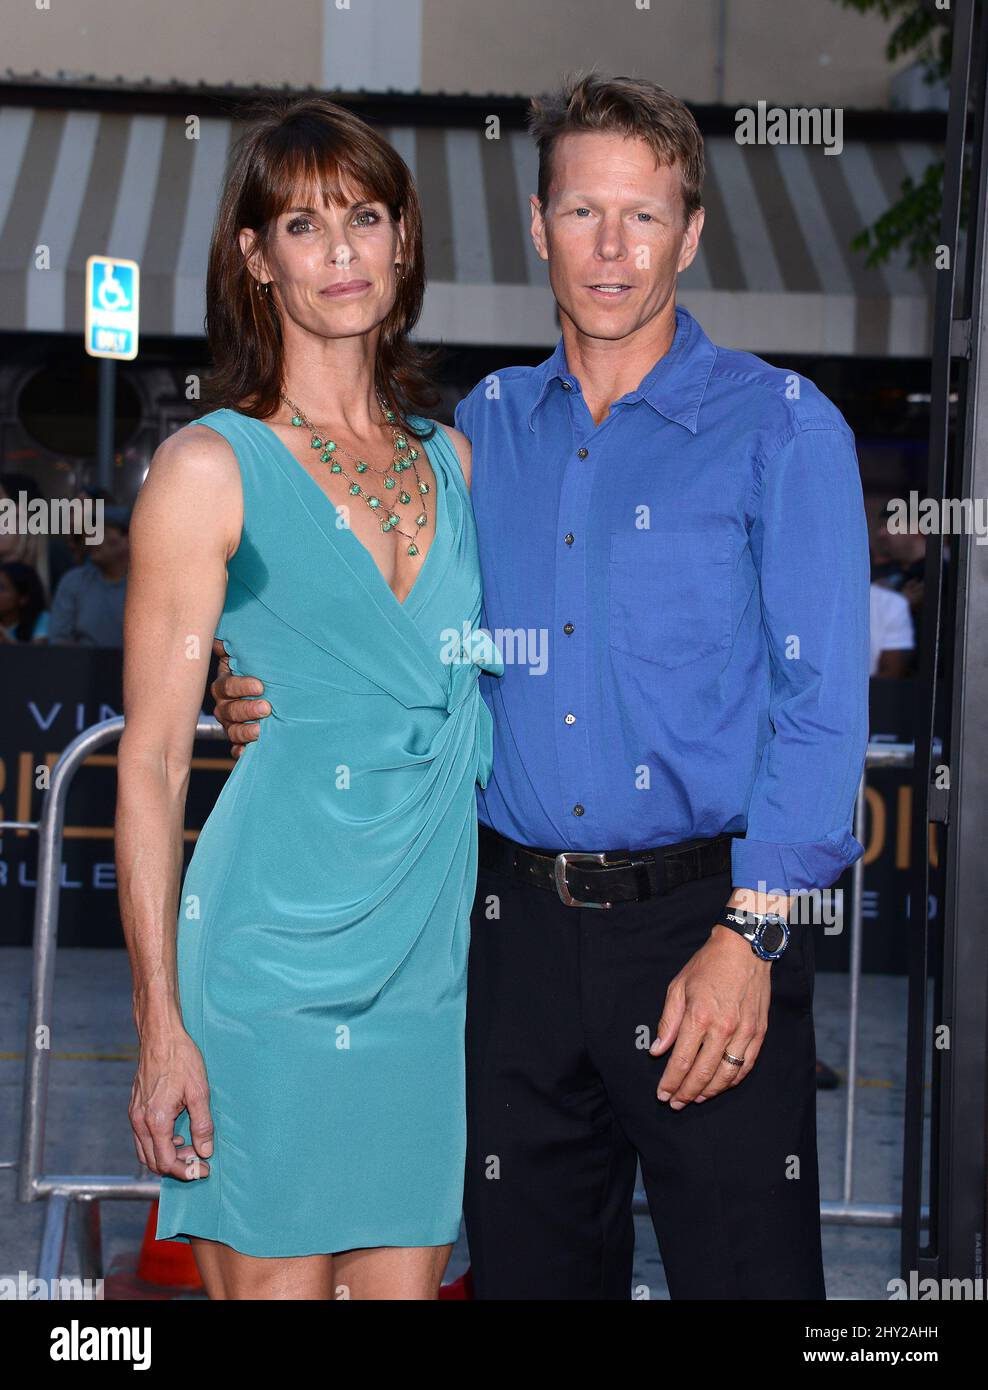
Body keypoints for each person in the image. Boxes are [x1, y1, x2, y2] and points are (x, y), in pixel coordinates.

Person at [211, 74, 871, 1300]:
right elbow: (399, 643)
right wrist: (264, 692)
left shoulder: (784, 428)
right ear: (535, 224)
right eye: (581, 212)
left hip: (706, 930)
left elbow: (823, 704)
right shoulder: (481, 432)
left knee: (749, 1282)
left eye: (643, 215)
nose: (611, 250)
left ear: (691, 231)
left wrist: (753, 933)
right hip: (507, 945)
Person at [115, 95, 500, 1302]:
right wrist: (160, 1026)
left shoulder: (456, 460)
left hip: (420, 985)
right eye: (302, 222)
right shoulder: (205, 469)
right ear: (255, 256)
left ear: (403, 241)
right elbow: (153, 764)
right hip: (266, 973)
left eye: (365, 216)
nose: (339, 250)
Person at [48, 506, 130, 646]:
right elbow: (58, 641)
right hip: (79, 666)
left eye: (101, 532)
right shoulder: (73, 582)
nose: (91, 539)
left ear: (127, 539)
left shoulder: (147, 587)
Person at [0, 561, 49, 643]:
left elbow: (37, 654)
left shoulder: (42, 620)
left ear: (23, 598)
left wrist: (7, 641)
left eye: (1, 588)